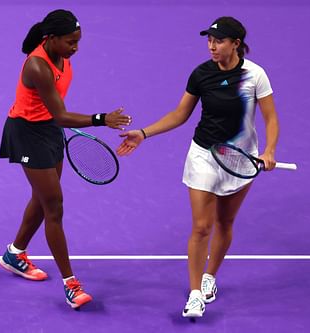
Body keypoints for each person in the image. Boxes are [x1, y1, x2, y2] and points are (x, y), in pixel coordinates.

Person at [117, 16, 279, 318]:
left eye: (218, 41)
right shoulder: (201, 74)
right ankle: (194, 294)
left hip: (240, 157)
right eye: (209, 40)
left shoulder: (256, 76)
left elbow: (270, 118)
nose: (212, 46)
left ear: (236, 44)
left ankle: (210, 277)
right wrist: (143, 133)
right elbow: (180, 114)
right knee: (202, 226)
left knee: (225, 223)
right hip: (204, 154)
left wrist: (269, 150)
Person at [0, 9, 131, 309]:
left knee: (43, 199)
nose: (76, 48)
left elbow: (57, 111)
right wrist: (101, 119)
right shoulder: (37, 66)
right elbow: (60, 113)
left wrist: (59, 123)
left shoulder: (63, 56)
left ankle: (14, 253)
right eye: (71, 42)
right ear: (52, 38)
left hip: (49, 128)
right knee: (54, 206)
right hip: (27, 133)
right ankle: (71, 284)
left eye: (78, 41)